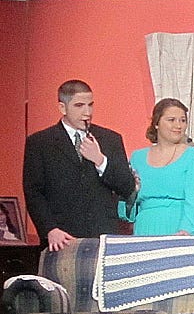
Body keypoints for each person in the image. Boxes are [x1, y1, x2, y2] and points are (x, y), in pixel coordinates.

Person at [23, 80, 136, 251]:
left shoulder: (110, 139)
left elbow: (127, 187)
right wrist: (50, 229)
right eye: (79, 105)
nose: (87, 112)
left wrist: (100, 160)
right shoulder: (40, 143)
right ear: (62, 107)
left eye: (90, 105)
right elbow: (33, 192)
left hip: (102, 235)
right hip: (62, 238)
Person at [118, 98, 194, 236]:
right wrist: (133, 193)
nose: (178, 125)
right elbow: (127, 204)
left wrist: (186, 230)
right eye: (171, 120)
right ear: (156, 123)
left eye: (183, 120)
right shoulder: (137, 157)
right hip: (145, 227)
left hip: (179, 229)